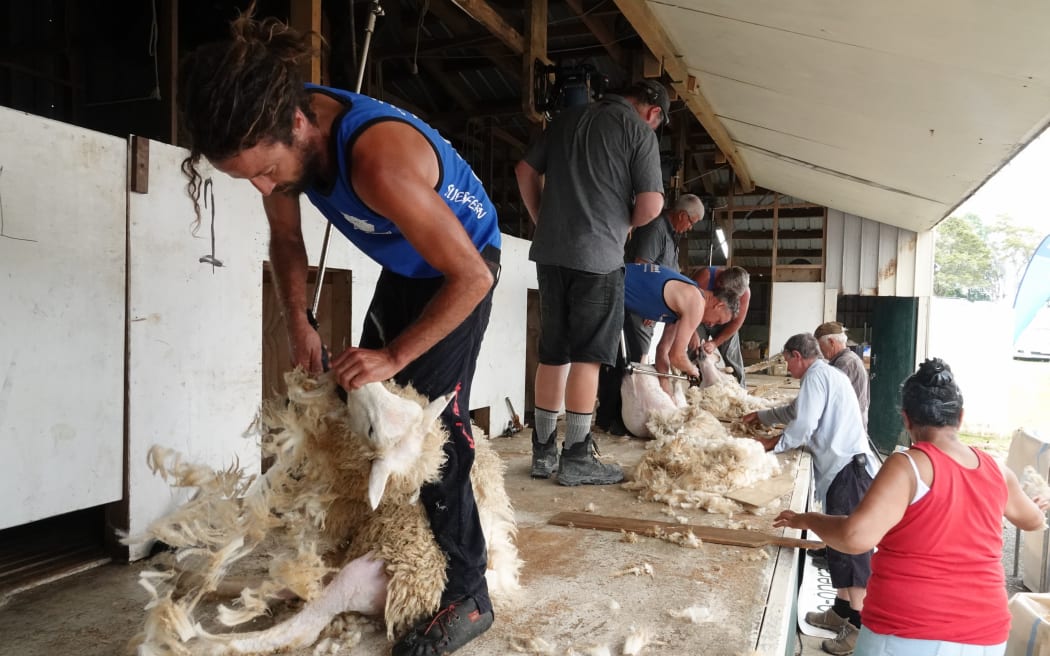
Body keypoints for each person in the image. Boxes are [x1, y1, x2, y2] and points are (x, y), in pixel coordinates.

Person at [177, 13, 500, 655]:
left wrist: (395, 355)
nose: (267, 188)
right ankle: (392, 553)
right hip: (407, 266)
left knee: (429, 434)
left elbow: (471, 278)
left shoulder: (379, 161)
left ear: (299, 125)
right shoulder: (275, 139)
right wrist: (298, 318)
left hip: (462, 269)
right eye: (251, 180)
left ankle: (469, 595)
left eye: (267, 172)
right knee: (359, 412)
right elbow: (287, 238)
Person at [773, 358, 1047, 656]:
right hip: (986, 637)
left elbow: (855, 537)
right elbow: (1032, 520)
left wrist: (810, 519)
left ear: (906, 419)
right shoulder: (997, 470)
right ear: (961, 417)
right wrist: (1040, 503)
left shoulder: (909, 466)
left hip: (909, 633)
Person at [515, 79, 669, 486]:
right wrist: (621, 224)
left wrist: (540, 218)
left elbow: (524, 168)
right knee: (587, 357)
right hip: (598, 258)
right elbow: (652, 204)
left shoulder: (567, 118)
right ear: (653, 112)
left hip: (551, 255)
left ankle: (543, 454)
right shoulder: (637, 132)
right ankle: (578, 456)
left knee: (553, 353)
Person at [742, 333, 878, 656]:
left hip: (848, 469)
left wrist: (770, 445)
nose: (787, 367)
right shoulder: (823, 375)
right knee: (839, 546)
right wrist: (761, 417)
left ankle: (858, 628)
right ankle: (840, 612)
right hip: (843, 468)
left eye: (787, 360)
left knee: (852, 547)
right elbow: (794, 411)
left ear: (796, 356)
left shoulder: (817, 377)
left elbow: (803, 424)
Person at [596, 194, 706, 435]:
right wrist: (651, 304)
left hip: (647, 305)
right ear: (681, 215)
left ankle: (620, 415)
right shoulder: (657, 228)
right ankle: (609, 418)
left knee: (635, 360)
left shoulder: (672, 237)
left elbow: (665, 353)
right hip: (631, 299)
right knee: (625, 360)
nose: (689, 229)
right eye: (691, 222)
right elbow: (641, 264)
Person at [623, 262, 736, 385]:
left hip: (617, 292)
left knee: (632, 357)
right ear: (719, 305)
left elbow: (663, 351)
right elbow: (677, 357)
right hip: (610, 283)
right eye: (718, 320)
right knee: (620, 366)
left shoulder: (683, 307)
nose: (711, 325)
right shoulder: (696, 303)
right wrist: (692, 370)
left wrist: (667, 394)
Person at [690, 266, 751, 386]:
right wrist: (692, 333)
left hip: (725, 320)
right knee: (694, 351)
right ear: (720, 283)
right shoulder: (705, 277)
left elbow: (736, 322)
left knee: (731, 354)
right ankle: (696, 391)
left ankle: (740, 391)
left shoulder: (744, 293)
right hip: (698, 316)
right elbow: (687, 306)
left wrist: (715, 343)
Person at [814, 321, 870, 430]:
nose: (820, 351)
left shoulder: (845, 363)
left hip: (849, 429)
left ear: (831, 342)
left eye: (820, 346)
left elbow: (830, 400)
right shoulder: (844, 359)